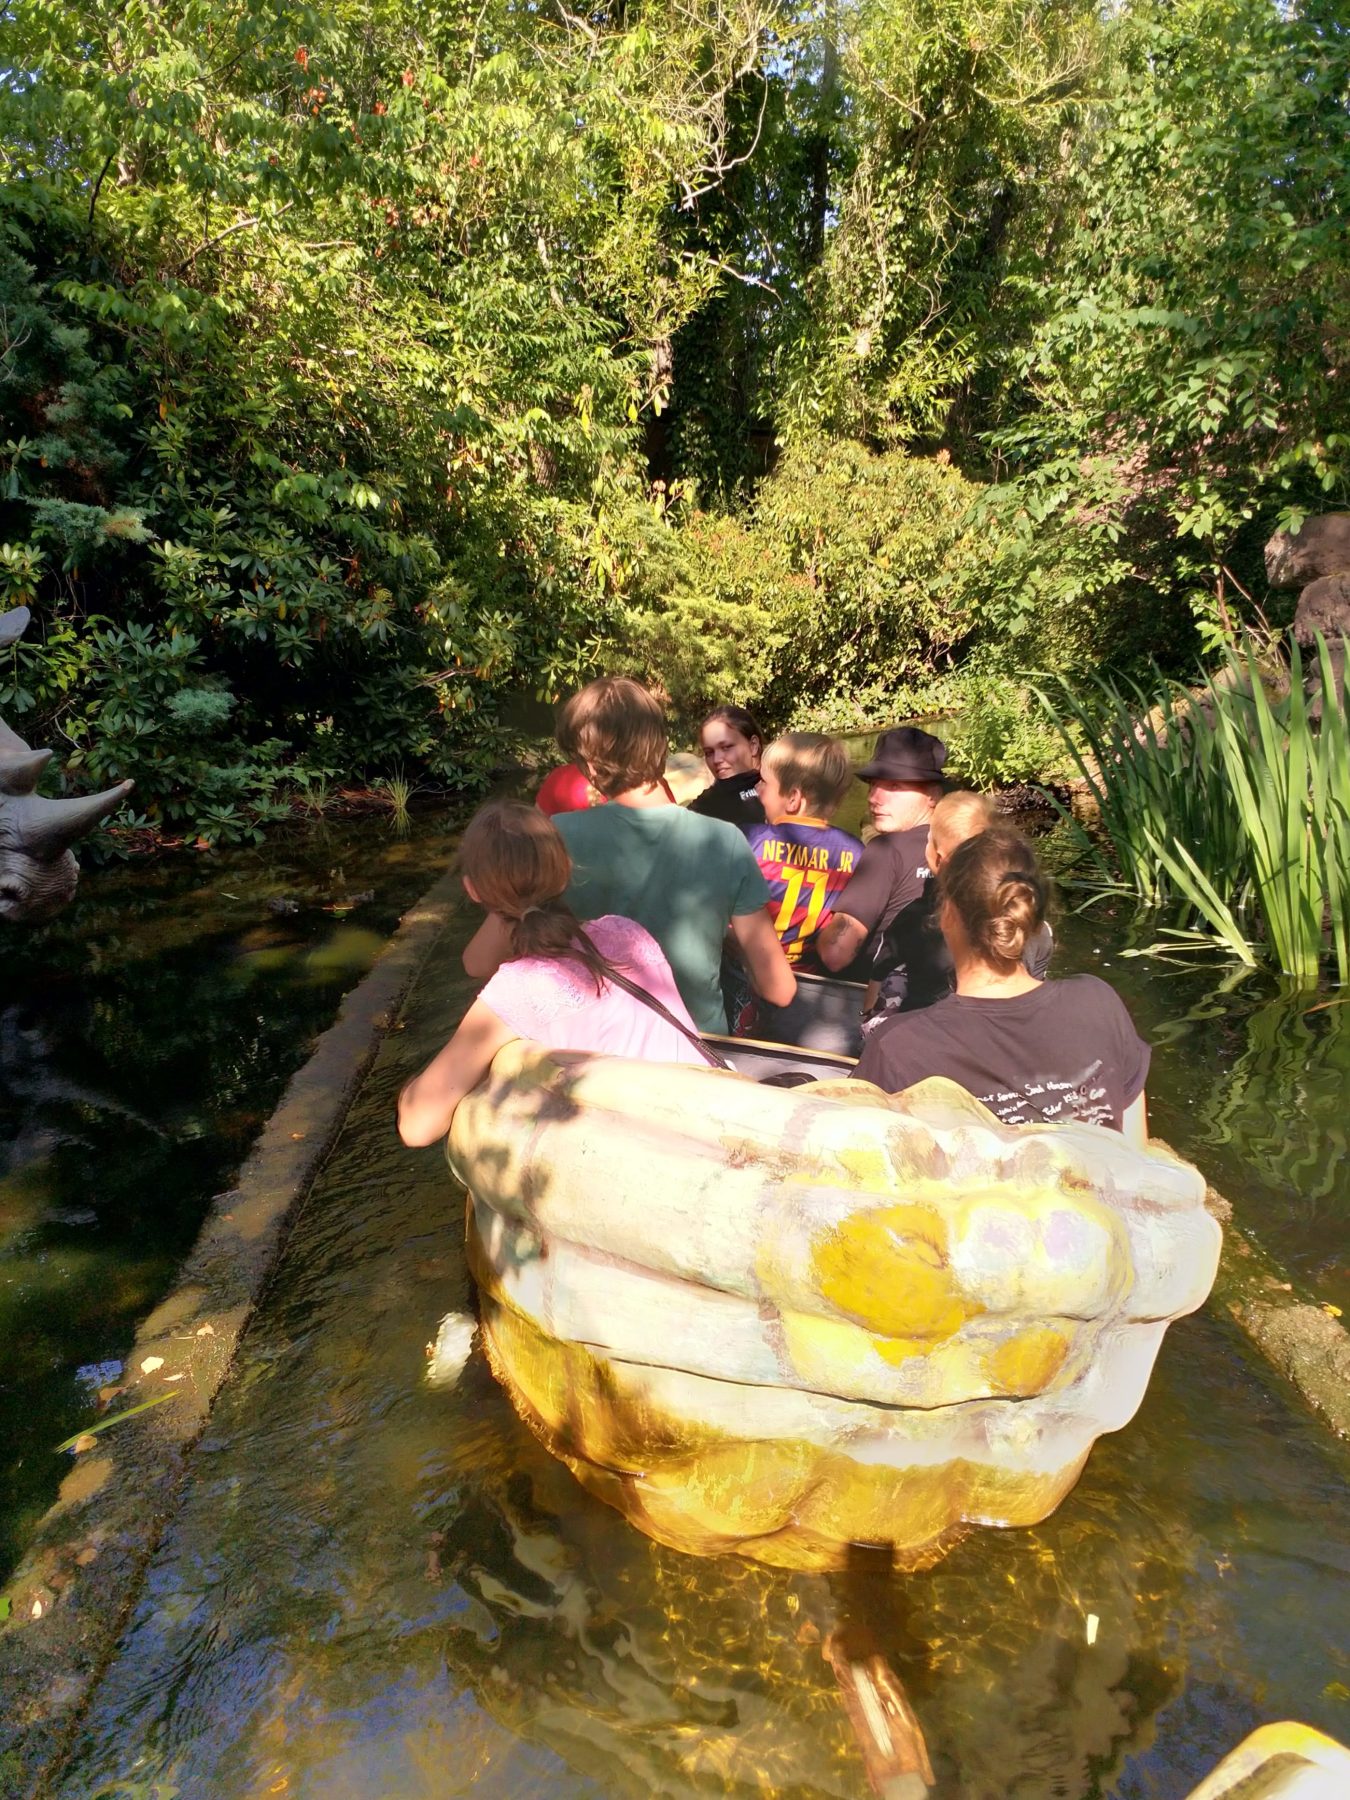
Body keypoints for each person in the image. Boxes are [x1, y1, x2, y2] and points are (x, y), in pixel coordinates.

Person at [465, 678, 795, 1033]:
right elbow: (780, 989)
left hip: (595, 1051)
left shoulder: (552, 838)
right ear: (662, 747)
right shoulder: (724, 840)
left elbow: (478, 962)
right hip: (697, 1050)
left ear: (590, 766)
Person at [398, 802, 708, 1146]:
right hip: (712, 1120)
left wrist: (409, 1092)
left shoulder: (516, 990)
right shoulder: (626, 931)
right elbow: (476, 963)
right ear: (565, 870)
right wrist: (515, 896)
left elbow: (417, 1129)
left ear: (471, 890)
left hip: (661, 1147)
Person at [852, 827, 1149, 1146]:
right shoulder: (1099, 1003)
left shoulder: (899, 1047)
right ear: (1034, 917)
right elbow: (1137, 1157)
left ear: (947, 915)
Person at [861, 791, 1053, 1032]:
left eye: (929, 839)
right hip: (1008, 1031)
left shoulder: (913, 918)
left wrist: (867, 1022)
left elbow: (878, 978)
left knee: (894, 976)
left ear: (938, 858)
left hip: (924, 1036)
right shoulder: (1034, 924)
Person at [813, 727, 947, 979]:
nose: (874, 797)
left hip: (875, 996)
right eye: (874, 784)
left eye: (894, 786)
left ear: (931, 794)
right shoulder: (967, 847)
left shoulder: (886, 851)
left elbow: (835, 954)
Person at [747, 733, 863, 967]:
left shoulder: (750, 840)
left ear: (793, 798)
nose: (757, 790)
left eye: (764, 783)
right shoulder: (856, 853)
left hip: (751, 972)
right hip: (809, 977)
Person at [689, 705, 766, 826]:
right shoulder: (707, 803)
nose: (716, 759)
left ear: (753, 745)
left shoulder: (781, 789)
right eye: (709, 752)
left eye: (726, 747)